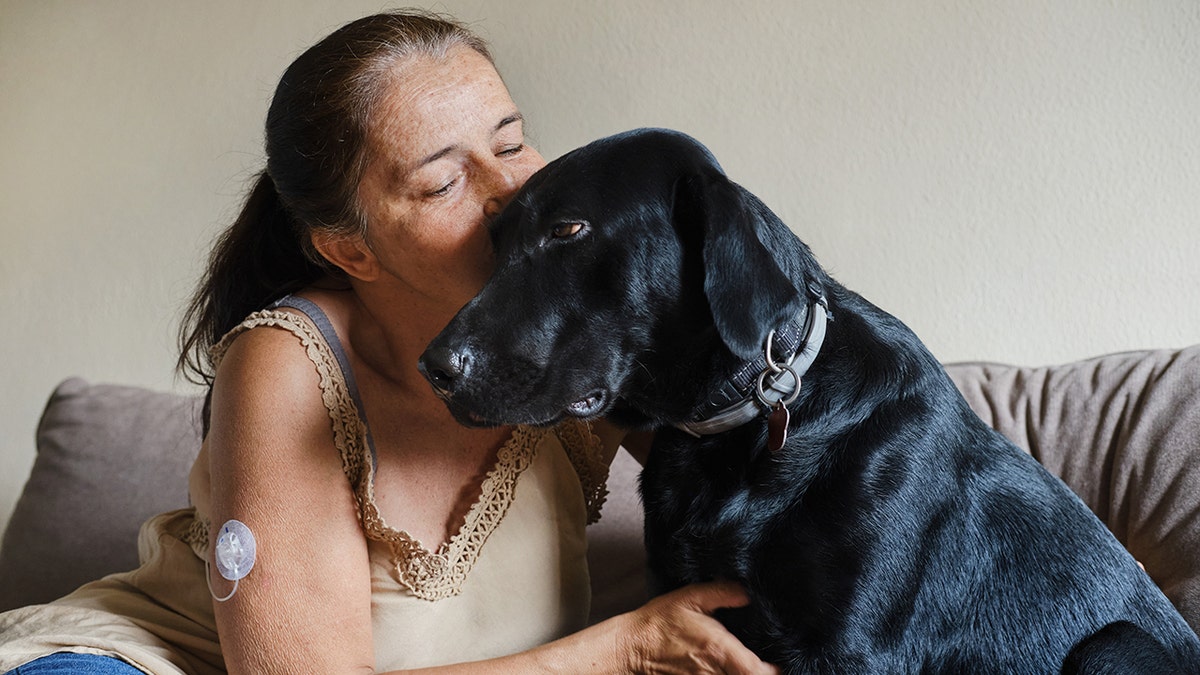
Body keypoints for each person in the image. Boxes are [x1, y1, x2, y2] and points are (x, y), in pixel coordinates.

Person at [0, 9, 778, 675]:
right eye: (442, 184)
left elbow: (787, 445)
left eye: (511, 144)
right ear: (352, 251)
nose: (511, 193)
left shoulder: (591, 321)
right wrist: (618, 650)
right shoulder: (288, 361)